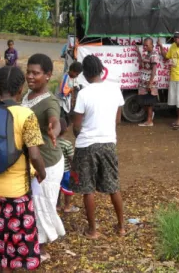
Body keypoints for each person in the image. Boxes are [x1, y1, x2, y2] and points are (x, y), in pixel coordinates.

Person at [0, 65, 46, 272]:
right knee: (14, 249)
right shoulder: (26, 115)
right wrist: (42, 172)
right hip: (17, 195)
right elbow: (34, 154)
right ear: (20, 88)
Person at [70, 55, 125, 239]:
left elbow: (76, 126)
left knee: (88, 189)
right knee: (113, 186)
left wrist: (81, 135)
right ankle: (121, 226)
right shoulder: (115, 89)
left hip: (86, 144)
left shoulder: (84, 93)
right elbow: (117, 119)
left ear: (85, 73)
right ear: (101, 69)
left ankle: (93, 230)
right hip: (108, 142)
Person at [22, 54, 65, 262]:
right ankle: (33, 239)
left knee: (44, 203)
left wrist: (54, 130)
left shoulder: (50, 102)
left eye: (36, 73)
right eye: (28, 72)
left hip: (47, 162)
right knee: (33, 202)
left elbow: (54, 119)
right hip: (32, 159)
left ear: (48, 76)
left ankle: (42, 247)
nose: (30, 76)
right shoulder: (28, 95)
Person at [134, 37, 159, 127]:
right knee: (143, 100)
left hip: (149, 82)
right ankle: (150, 117)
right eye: (144, 45)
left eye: (147, 45)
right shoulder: (147, 54)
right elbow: (142, 64)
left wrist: (150, 83)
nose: (145, 47)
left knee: (148, 102)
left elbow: (154, 70)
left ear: (152, 45)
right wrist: (138, 52)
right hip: (144, 81)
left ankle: (149, 121)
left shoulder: (153, 55)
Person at [57, 118, 79, 213]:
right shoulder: (67, 144)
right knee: (67, 189)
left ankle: (57, 205)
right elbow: (71, 159)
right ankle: (67, 206)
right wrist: (75, 169)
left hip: (55, 171)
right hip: (66, 171)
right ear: (66, 129)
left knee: (57, 188)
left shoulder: (51, 143)